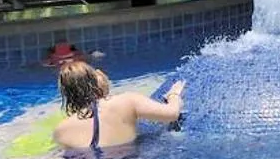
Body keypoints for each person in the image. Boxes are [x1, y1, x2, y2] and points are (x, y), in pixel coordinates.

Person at [52, 60, 184, 153]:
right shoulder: (128, 100)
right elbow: (172, 114)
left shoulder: (61, 129)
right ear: (94, 82)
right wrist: (174, 95)